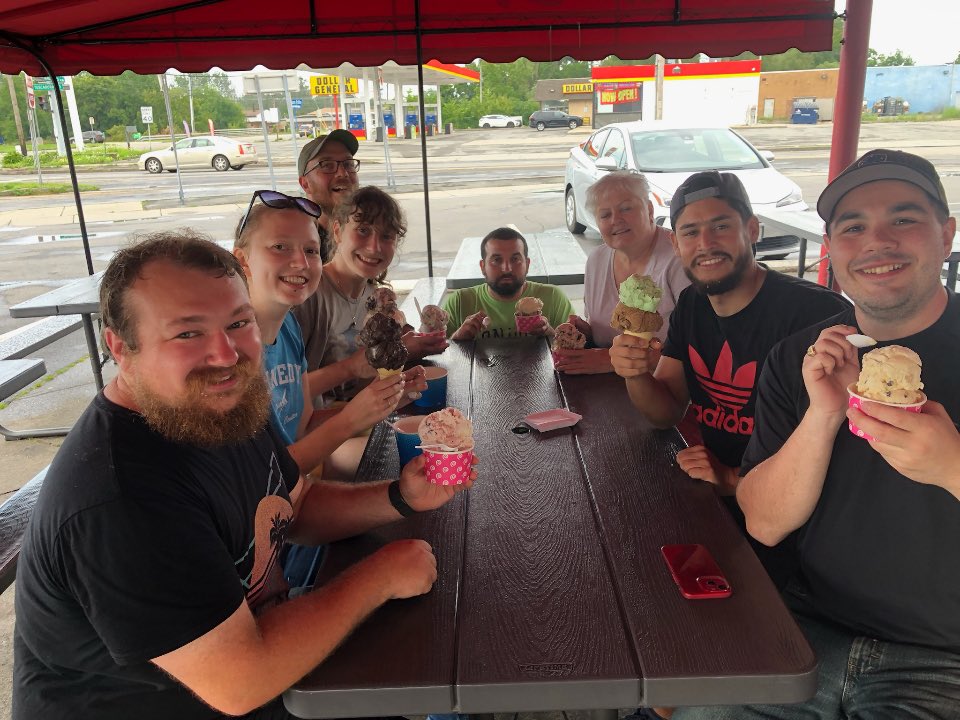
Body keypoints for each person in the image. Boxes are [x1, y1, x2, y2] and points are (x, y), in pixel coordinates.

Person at [12, 232, 473, 720]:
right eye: (188, 333)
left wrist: (402, 497)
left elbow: (289, 506)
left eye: (238, 323)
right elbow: (241, 680)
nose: (227, 354)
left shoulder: (218, 406)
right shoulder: (118, 498)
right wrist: (377, 577)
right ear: (120, 347)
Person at [679, 150, 960, 719]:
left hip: (941, 660)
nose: (877, 242)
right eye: (853, 227)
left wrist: (952, 467)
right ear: (832, 247)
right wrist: (823, 415)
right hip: (805, 632)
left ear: (946, 234)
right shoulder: (800, 358)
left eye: (903, 219)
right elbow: (763, 520)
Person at [609, 170, 849, 590]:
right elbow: (665, 411)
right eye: (691, 232)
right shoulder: (692, 304)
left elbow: (845, 462)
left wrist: (732, 478)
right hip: (715, 501)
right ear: (676, 244)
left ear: (752, 230)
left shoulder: (816, 316)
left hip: (794, 536)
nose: (705, 244)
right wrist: (635, 374)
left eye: (721, 226)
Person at [233, 189, 425, 476]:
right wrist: (350, 418)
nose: (300, 262)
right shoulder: (231, 353)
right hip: (278, 498)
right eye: (280, 247)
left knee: (424, 449)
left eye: (310, 250)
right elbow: (268, 477)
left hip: (305, 475)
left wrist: (385, 399)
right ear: (243, 260)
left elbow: (303, 424)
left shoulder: (287, 328)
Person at [292, 186, 446, 407]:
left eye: (386, 236)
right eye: (363, 230)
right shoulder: (309, 296)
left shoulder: (377, 297)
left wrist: (424, 338)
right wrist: (353, 366)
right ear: (337, 231)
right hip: (325, 433)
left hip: (368, 421)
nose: (374, 247)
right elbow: (282, 393)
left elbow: (374, 381)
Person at [558, 170, 689, 375]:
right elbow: (604, 333)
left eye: (626, 208)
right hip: (605, 389)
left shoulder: (679, 258)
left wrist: (611, 360)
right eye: (605, 215)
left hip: (669, 392)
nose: (615, 220)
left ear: (649, 210)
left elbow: (698, 348)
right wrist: (584, 333)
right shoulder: (596, 261)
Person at [441, 226, 574, 340]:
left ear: (527, 265)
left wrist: (549, 332)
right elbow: (433, 357)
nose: (507, 268)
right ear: (483, 267)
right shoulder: (460, 302)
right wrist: (457, 338)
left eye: (515, 259)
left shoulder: (553, 297)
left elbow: (578, 346)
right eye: (496, 260)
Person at [297, 129, 361, 262]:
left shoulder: (368, 235)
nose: (343, 173)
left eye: (348, 164)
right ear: (305, 184)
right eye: (327, 165)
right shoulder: (297, 244)